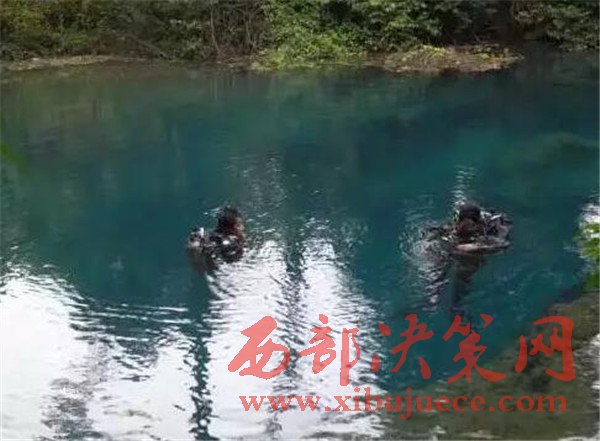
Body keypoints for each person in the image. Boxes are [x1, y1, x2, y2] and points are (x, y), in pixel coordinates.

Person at [187, 207, 245, 272]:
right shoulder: (232, 242)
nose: (243, 227)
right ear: (233, 227)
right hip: (216, 255)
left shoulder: (208, 233)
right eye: (239, 225)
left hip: (203, 244)